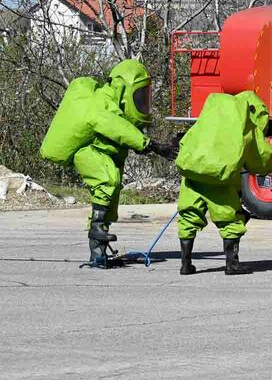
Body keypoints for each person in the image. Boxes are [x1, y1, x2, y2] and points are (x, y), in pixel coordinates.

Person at [40, 59, 178, 267]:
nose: (143, 100)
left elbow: (122, 131)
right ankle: (97, 234)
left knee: (110, 199)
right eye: (139, 94)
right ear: (123, 90)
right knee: (107, 181)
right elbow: (115, 126)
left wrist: (145, 146)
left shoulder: (115, 107)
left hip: (101, 151)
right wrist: (152, 145)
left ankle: (98, 253)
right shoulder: (101, 102)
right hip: (85, 151)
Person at [174, 90, 272, 276]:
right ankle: (232, 265)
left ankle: (185, 265)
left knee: (188, 217)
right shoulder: (246, 124)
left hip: (192, 174)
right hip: (219, 177)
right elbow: (259, 160)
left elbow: (184, 143)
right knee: (229, 218)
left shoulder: (208, 118)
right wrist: (269, 168)